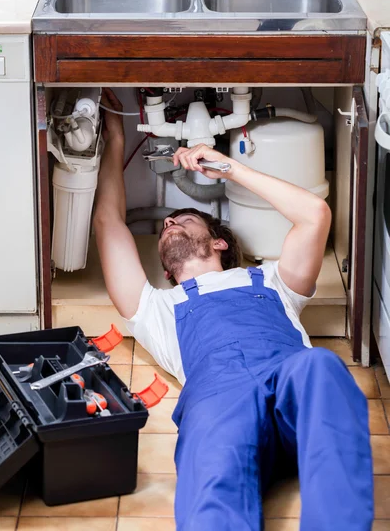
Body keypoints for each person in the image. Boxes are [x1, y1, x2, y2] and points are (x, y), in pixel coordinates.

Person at [94, 89, 373, 531]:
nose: (169, 223)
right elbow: (108, 223)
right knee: (212, 453)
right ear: (166, 271)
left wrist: (228, 167)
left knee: (321, 367)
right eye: (167, 224)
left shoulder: (273, 281)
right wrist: (113, 142)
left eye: (183, 219)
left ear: (219, 242)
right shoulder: (157, 308)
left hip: (289, 385)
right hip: (220, 404)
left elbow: (315, 215)